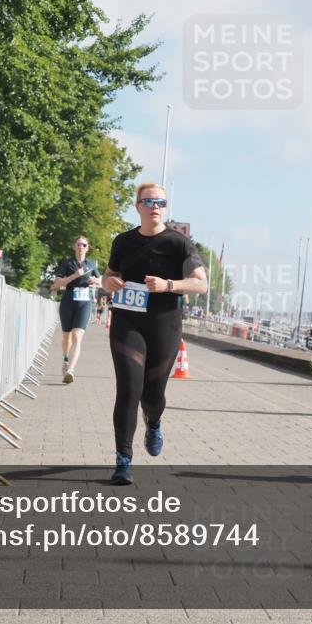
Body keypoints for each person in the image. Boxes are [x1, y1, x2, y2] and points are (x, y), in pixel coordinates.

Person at [101, 183, 207, 484]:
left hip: (164, 324)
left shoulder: (179, 243)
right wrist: (108, 283)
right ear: (138, 207)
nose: (154, 206)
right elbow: (110, 275)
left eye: (160, 201)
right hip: (127, 322)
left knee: (152, 395)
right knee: (128, 389)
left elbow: (201, 284)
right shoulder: (122, 241)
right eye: (148, 201)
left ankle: (155, 421)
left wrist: (168, 285)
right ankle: (123, 461)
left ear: (166, 206)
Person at [52, 236, 102, 384]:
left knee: (77, 336)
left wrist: (95, 280)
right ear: (74, 246)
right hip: (68, 300)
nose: (81, 247)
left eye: (84, 245)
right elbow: (57, 284)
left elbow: (100, 280)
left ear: (88, 248)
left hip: (84, 302)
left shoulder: (91, 264)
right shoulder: (67, 263)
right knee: (66, 336)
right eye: (79, 244)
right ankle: (65, 359)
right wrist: (74, 276)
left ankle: (71, 370)